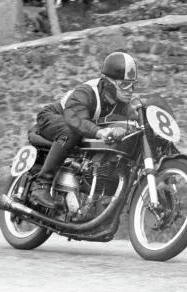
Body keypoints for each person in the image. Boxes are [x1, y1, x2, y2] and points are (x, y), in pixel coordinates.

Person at [29, 51, 138, 209]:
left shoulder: (123, 104)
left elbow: (136, 122)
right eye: (124, 84)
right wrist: (100, 132)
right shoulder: (87, 91)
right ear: (109, 83)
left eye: (132, 84)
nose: (130, 89)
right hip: (52, 117)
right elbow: (76, 120)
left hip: (79, 127)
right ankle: (41, 185)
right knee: (70, 131)